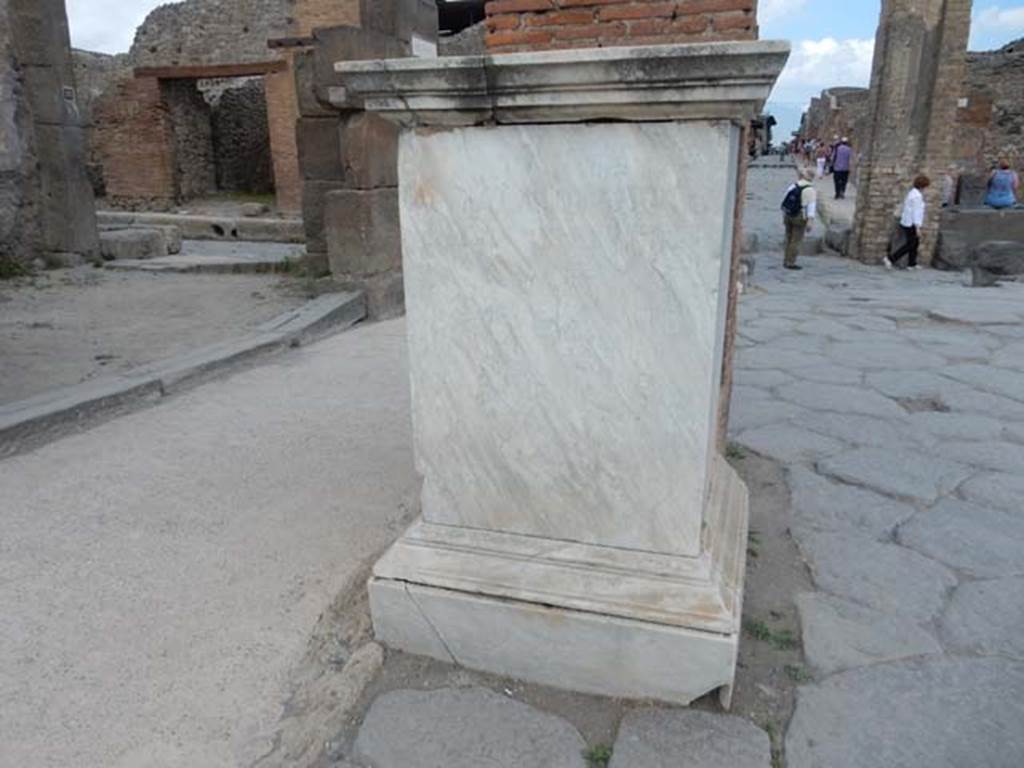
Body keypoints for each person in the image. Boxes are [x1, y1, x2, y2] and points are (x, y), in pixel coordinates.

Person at [884, 175, 930, 271]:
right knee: (910, 244)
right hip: (911, 223)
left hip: (907, 221)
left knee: (915, 243)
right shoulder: (917, 196)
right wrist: (917, 227)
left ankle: (912, 263)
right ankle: (891, 259)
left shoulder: (912, 193)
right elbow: (916, 212)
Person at [782, 168, 817, 271]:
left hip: (788, 214)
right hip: (800, 216)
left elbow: (785, 199)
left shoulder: (794, 186)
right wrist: (810, 221)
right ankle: (790, 262)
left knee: (788, 237)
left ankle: (786, 259)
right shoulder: (810, 190)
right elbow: (811, 207)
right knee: (796, 240)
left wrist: (784, 214)